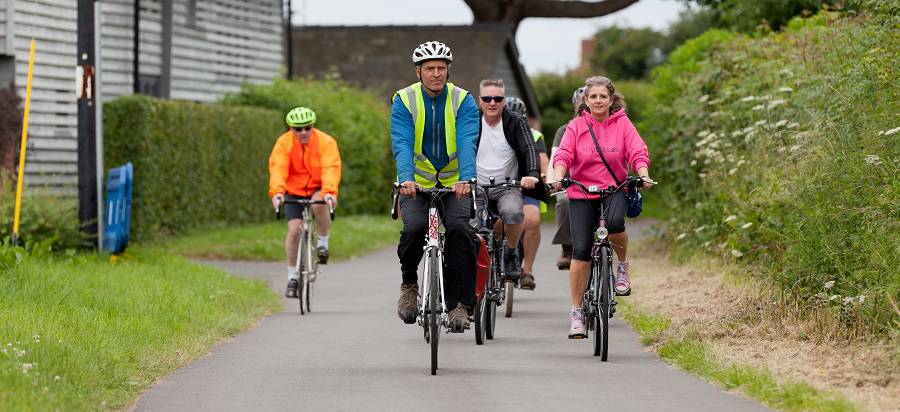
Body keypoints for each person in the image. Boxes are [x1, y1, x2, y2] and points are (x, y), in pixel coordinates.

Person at [551, 76, 653, 338]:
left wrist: (642, 174)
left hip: (614, 189)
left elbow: (637, 150)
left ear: (611, 100)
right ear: (586, 101)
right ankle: (576, 313)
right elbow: (563, 154)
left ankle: (622, 267)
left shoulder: (622, 124)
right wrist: (557, 175)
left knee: (616, 223)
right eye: (593, 97)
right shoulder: (576, 126)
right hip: (582, 191)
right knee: (581, 251)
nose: (598, 101)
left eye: (603, 97)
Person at [390, 41, 480, 333]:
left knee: (460, 231)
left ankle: (459, 306)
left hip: (456, 183)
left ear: (448, 71)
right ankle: (409, 285)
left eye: (442, 68)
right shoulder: (404, 100)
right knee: (414, 228)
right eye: (430, 68)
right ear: (419, 72)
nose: (437, 73)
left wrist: (466, 178)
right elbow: (402, 142)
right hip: (416, 183)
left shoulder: (463, 99)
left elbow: (467, 140)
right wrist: (405, 178)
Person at [475, 81, 545, 286]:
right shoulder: (470, 120)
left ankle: (512, 251)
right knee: (469, 231)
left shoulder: (516, 121)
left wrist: (532, 174)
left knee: (514, 214)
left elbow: (529, 149)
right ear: (480, 101)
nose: (492, 103)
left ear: (504, 101)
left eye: (497, 98)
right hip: (476, 187)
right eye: (487, 98)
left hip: (508, 186)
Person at [269, 107, 342, 298]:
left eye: (307, 128)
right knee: (294, 231)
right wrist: (277, 192)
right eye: (297, 129)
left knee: (319, 204)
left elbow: (331, 168)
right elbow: (278, 167)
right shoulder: (283, 143)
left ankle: (323, 244)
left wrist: (329, 192)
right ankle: (292, 277)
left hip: (318, 188)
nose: (303, 132)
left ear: (313, 127)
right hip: (293, 191)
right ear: (290, 129)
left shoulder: (325, 142)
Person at [503, 96, 548, 290]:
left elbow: (543, 159)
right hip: (501, 186)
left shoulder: (534, 135)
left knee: (532, 221)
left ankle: (527, 271)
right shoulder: (494, 130)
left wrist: (544, 174)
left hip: (527, 187)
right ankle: (495, 261)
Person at [548, 86, 585, 271]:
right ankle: (568, 247)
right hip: (571, 183)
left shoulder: (609, 127)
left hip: (599, 183)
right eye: (582, 105)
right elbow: (556, 157)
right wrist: (554, 180)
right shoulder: (565, 131)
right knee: (564, 201)